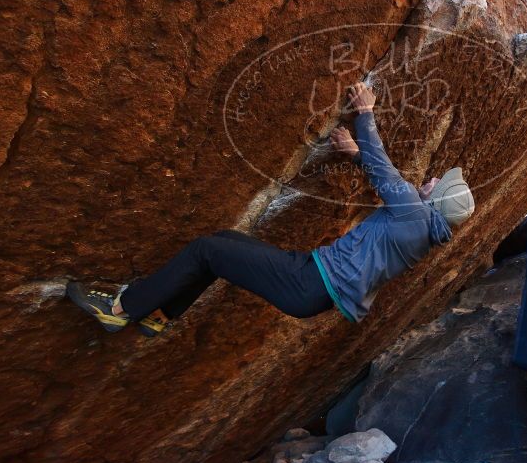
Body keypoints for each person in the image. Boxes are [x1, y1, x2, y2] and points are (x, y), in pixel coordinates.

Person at [67, 83, 475, 336]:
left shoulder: (416, 214)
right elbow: (386, 184)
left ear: (438, 199)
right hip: (312, 285)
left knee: (205, 249)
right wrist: (353, 154)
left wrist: (365, 113)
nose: (433, 178)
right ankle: (161, 311)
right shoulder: (422, 226)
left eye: (441, 182)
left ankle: (120, 309)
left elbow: (384, 168)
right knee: (223, 245)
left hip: (309, 282)